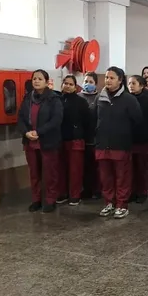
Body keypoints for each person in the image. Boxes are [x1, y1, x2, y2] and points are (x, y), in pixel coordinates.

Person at [95, 67, 144, 218]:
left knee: (122, 177)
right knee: (106, 177)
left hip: (121, 145)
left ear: (120, 80)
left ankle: (122, 205)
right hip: (102, 144)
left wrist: (125, 135)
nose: (108, 80)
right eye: (106, 77)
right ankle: (109, 203)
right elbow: (93, 118)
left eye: (112, 78)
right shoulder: (100, 98)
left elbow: (138, 121)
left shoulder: (129, 100)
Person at [18, 70, 64, 213]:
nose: (36, 81)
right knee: (34, 173)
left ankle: (50, 200)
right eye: (34, 79)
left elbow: (56, 120)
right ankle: (36, 200)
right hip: (30, 141)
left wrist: (39, 132)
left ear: (46, 81)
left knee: (50, 173)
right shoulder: (28, 98)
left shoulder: (54, 99)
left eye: (40, 79)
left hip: (47, 141)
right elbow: (21, 118)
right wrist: (26, 132)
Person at [128, 75, 148, 203]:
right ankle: (131, 191)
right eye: (129, 83)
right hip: (128, 140)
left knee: (142, 168)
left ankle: (142, 192)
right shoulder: (126, 99)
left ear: (141, 86)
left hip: (143, 140)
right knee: (130, 169)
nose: (131, 86)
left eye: (134, 83)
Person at [59, 75, 89, 206]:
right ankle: (62, 193)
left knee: (75, 170)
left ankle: (75, 195)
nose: (67, 86)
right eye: (65, 83)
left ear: (75, 87)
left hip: (76, 140)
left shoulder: (81, 102)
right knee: (60, 168)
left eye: (71, 84)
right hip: (59, 140)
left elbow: (87, 121)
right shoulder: (57, 100)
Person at [81, 72, 102, 199]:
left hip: (95, 138)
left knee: (96, 167)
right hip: (81, 137)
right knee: (84, 167)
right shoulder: (79, 97)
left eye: (90, 82)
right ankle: (86, 189)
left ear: (95, 84)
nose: (87, 84)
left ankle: (97, 190)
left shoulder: (99, 98)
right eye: (85, 81)